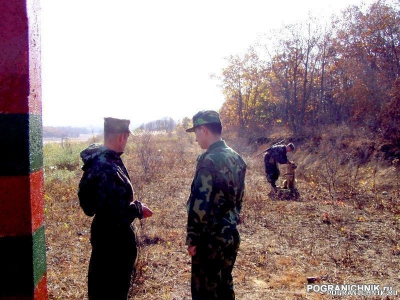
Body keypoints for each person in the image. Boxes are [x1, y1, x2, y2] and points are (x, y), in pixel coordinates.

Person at [77, 117, 153, 300]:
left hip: (105, 239)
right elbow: (114, 215)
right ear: (121, 136)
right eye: (127, 137)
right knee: (110, 292)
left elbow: (91, 206)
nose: (127, 141)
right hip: (113, 246)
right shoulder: (106, 168)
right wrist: (136, 209)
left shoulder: (102, 160)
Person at [185, 110, 246, 300]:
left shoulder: (208, 160)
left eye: (196, 133)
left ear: (203, 130)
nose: (196, 139)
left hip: (209, 240)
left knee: (205, 292)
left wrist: (193, 238)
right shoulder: (237, 158)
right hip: (230, 235)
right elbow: (239, 199)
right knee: (225, 287)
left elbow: (199, 204)